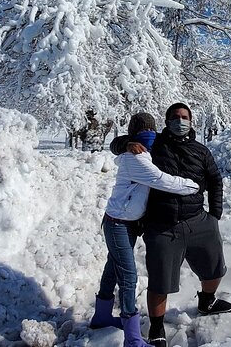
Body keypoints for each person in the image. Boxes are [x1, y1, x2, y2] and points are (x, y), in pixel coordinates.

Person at [112, 103, 231, 347]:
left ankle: (207, 301)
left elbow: (215, 180)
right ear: (166, 122)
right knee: (160, 280)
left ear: (191, 120)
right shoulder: (153, 145)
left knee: (214, 268)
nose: (180, 121)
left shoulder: (201, 151)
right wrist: (125, 144)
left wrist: (214, 214)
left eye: (184, 117)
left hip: (198, 220)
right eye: (175, 117)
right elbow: (119, 145)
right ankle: (157, 327)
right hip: (162, 225)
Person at [90, 112, 199, 347]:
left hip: (129, 224)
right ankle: (132, 339)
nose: (148, 136)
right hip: (117, 223)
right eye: (143, 133)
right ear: (134, 136)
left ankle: (101, 316)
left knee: (112, 268)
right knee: (128, 277)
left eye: (152, 131)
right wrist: (193, 186)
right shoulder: (133, 158)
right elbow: (162, 180)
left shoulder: (149, 151)